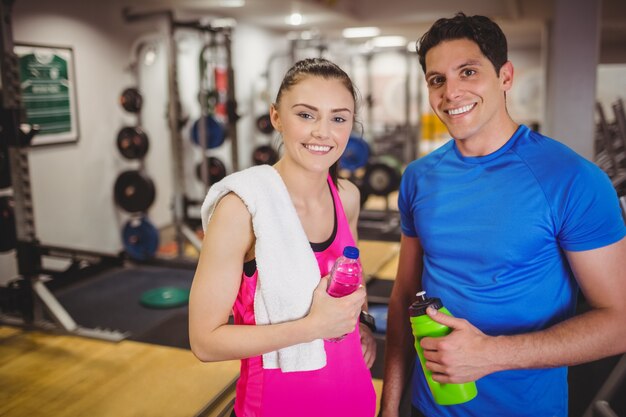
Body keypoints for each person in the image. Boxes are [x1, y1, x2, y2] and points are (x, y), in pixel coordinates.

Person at [380, 12, 626, 417]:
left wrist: (492, 354)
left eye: (468, 72)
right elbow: (405, 296)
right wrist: (389, 409)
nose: (451, 92)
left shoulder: (573, 180)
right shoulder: (418, 178)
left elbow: (618, 322)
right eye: (437, 79)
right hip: (431, 407)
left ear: (505, 76)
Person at [189, 57, 377, 417]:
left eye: (338, 118)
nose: (323, 132)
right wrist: (314, 327)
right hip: (278, 404)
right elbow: (205, 341)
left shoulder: (347, 197)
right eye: (306, 115)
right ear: (276, 117)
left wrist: (363, 322)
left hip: (354, 393)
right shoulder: (241, 209)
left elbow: (352, 276)